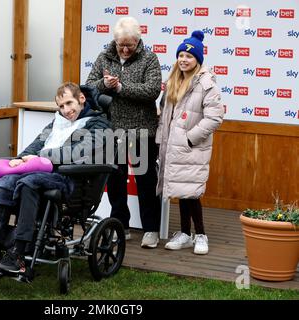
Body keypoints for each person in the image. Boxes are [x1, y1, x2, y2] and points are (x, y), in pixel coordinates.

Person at [0, 82, 111, 274]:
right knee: (3, 184)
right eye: (61, 106)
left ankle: (18, 254)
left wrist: (41, 157)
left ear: (81, 99)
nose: (66, 110)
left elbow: (78, 152)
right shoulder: (56, 123)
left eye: (69, 103)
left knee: (29, 183)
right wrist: (18, 161)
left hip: (71, 178)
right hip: (40, 172)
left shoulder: (99, 124)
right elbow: (37, 144)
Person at [86, 17, 162, 249]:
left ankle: (151, 229)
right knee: (115, 179)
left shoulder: (149, 58)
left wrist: (121, 88)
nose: (126, 49)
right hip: (112, 128)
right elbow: (89, 86)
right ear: (115, 41)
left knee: (146, 180)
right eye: (122, 45)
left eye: (130, 44)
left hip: (142, 129)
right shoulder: (104, 57)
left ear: (138, 41)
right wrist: (104, 85)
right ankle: (121, 225)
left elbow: (152, 90)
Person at [156, 30, 224, 255]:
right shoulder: (173, 81)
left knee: (191, 192)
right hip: (173, 146)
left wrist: (189, 138)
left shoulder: (206, 84)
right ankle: (185, 234)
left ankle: (201, 235)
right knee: (182, 190)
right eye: (181, 55)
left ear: (198, 60)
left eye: (189, 56)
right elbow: (165, 115)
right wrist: (161, 141)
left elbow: (214, 117)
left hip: (191, 146)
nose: (184, 60)